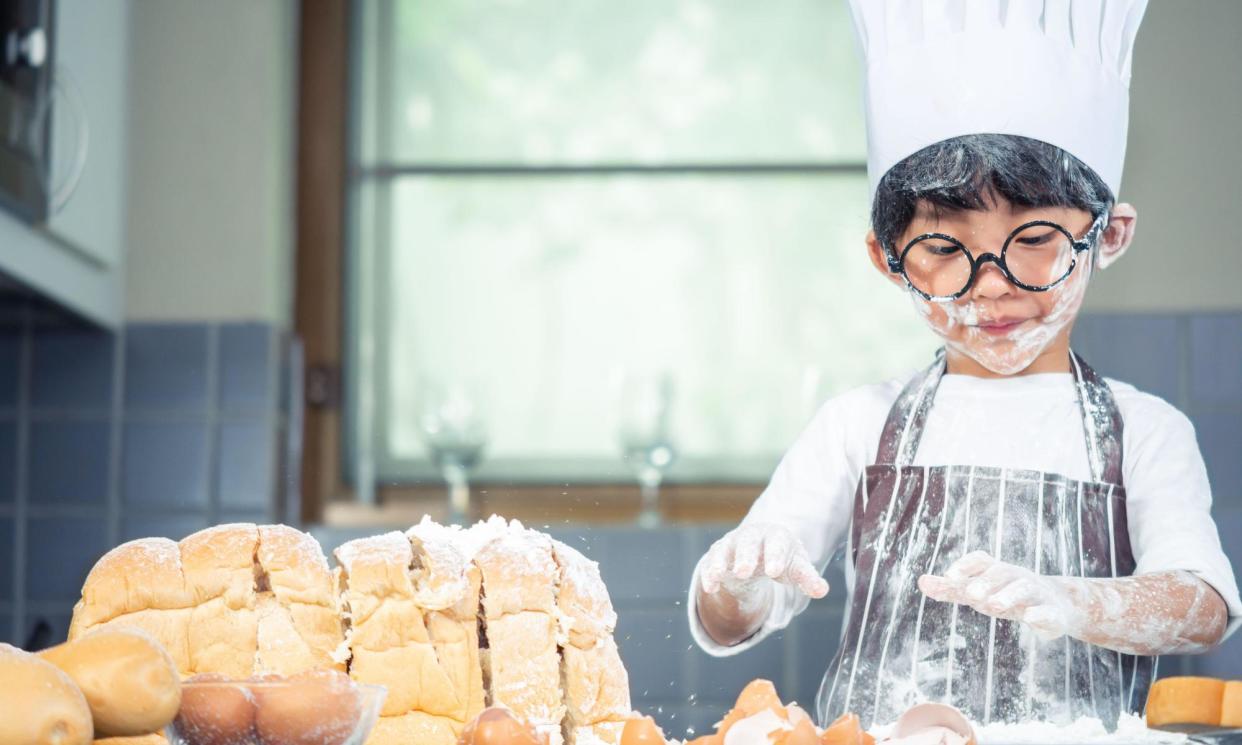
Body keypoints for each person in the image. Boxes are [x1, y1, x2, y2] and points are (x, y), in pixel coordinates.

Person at [687, 0, 1240, 729]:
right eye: (945, 250)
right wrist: (739, 581)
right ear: (887, 260)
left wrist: (1075, 601)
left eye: (1035, 237)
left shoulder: (1144, 431)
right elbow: (729, 621)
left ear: (1109, 236)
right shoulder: (860, 424)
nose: (991, 283)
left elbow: (1202, 605)